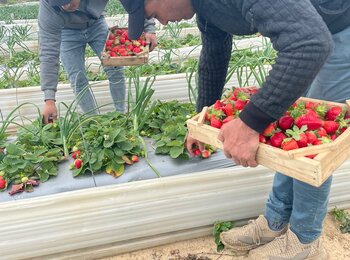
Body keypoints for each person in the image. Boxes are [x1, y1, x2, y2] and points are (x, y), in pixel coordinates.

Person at [119, 0, 350, 259]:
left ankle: (304, 242)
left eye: (151, 13)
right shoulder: (206, 9)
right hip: (310, 30)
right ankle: (275, 221)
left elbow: (310, 44)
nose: (160, 22)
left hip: (339, 28)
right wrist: (202, 119)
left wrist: (250, 122)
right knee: (290, 129)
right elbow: (214, 56)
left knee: (312, 148)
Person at [39, 0, 157, 123]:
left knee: (115, 68)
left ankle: (121, 116)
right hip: (67, 32)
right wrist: (49, 99)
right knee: (77, 79)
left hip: (96, 23)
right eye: (61, 4)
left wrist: (149, 28)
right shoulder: (48, 7)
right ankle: (95, 122)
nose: (67, 6)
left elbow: (136, 2)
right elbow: (48, 52)